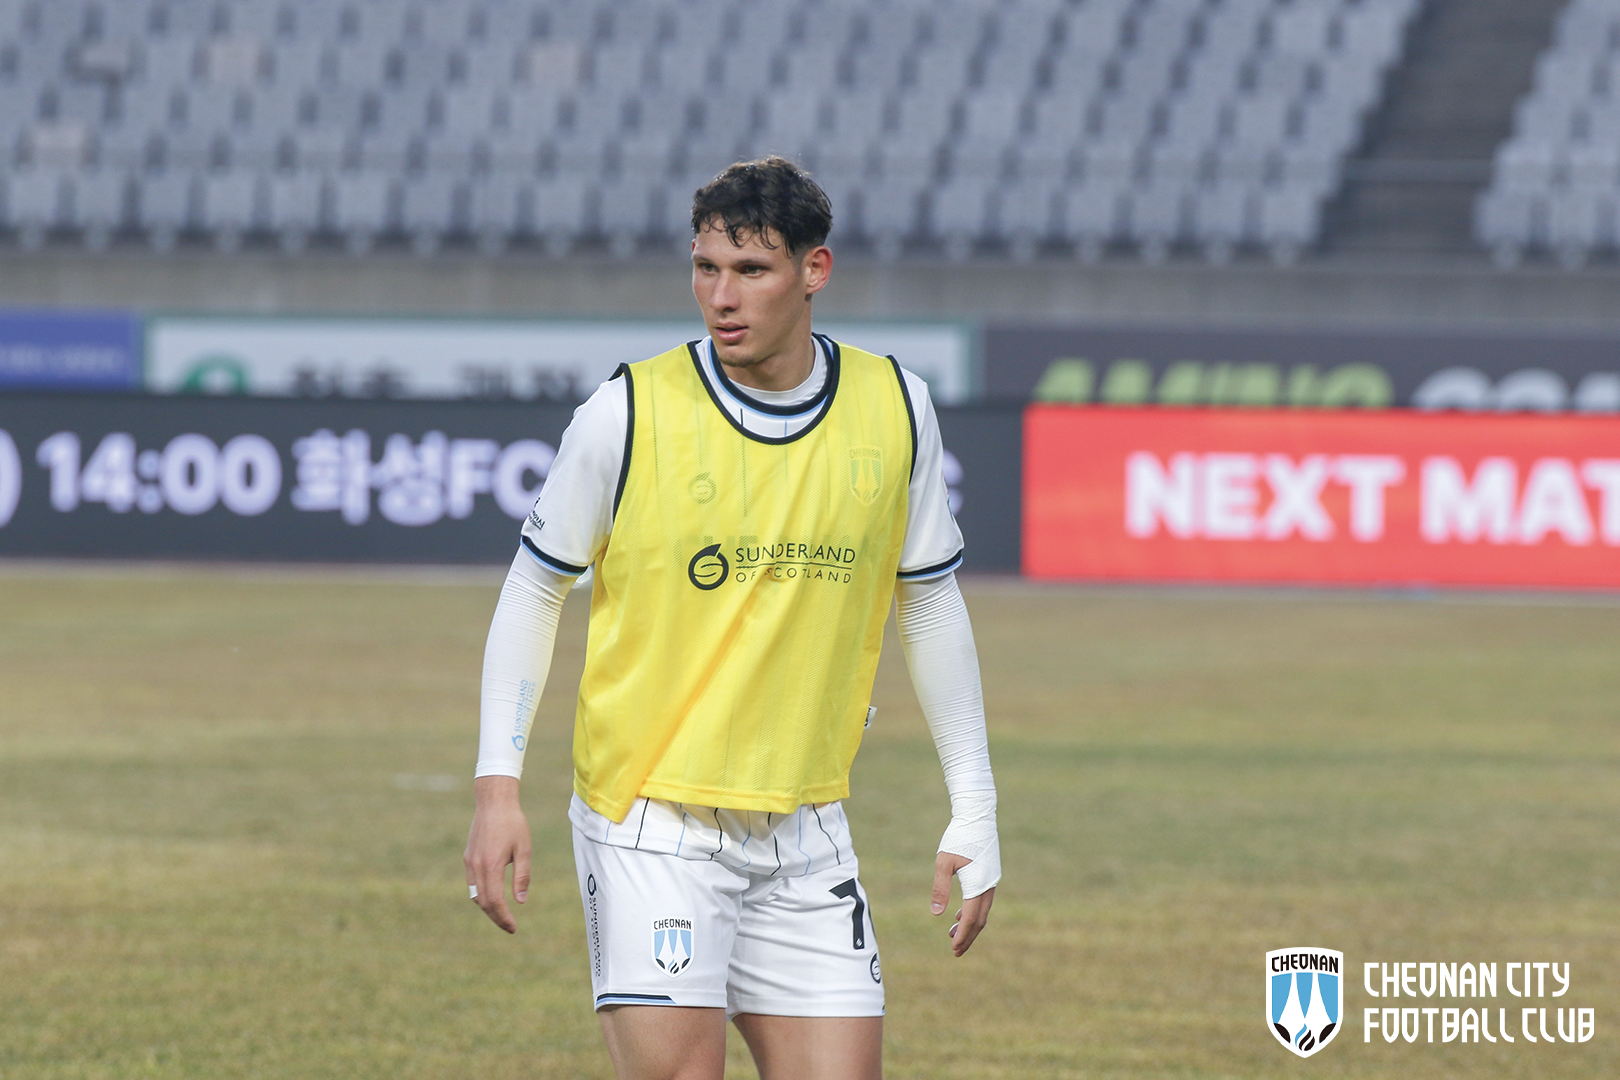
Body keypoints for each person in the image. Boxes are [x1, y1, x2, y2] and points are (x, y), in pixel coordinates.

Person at [464, 156, 1000, 1080]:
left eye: (751, 270)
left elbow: (931, 601)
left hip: (807, 827)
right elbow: (534, 589)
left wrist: (976, 807)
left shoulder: (896, 409)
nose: (721, 296)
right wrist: (496, 788)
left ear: (814, 270)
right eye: (706, 268)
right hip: (651, 821)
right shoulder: (627, 412)